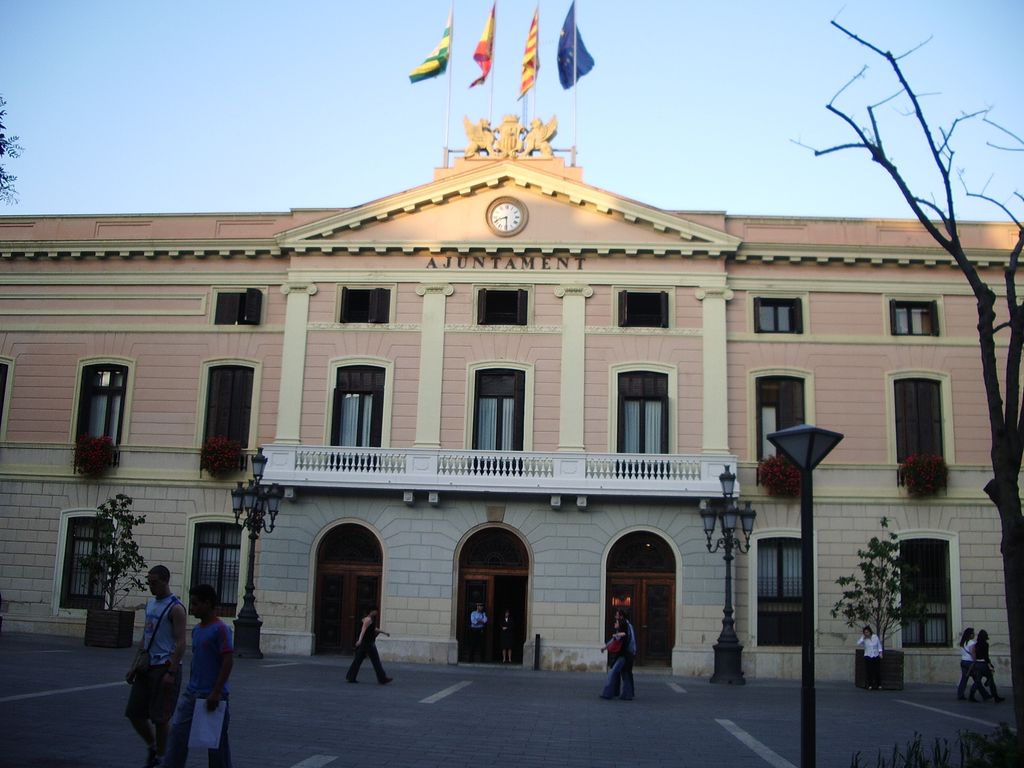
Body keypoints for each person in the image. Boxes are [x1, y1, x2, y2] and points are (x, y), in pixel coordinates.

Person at [163, 584, 234, 768]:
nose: (192, 608)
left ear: (207, 603)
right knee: (178, 734)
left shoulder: (221, 629)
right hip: (192, 693)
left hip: (213, 695)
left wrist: (216, 691)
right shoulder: (197, 630)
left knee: (216, 744)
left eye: (195, 604)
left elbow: (227, 661)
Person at [126, 565, 188, 768]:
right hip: (147, 666)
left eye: (154, 583)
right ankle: (153, 746)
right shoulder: (151, 604)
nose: (151, 586)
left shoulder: (175, 608)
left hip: (164, 666)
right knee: (134, 713)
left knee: (160, 718)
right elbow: (146, 637)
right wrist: (135, 664)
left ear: (165, 581)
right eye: (149, 583)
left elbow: (181, 642)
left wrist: (172, 671)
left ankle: (162, 758)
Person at [346, 609, 392, 684]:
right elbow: (363, 630)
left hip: (365, 643)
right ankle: (382, 678)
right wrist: (359, 640)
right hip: (368, 643)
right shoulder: (368, 620)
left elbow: (374, 629)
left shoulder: (367, 619)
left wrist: (384, 633)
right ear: (371, 611)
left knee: (358, 660)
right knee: (376, 661)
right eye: (375, 611)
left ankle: (351, 676)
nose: (376, 613)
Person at [969, 629, 1005, 703]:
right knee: (991, 680)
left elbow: (975, 655)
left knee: (977, 681)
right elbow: (986, 656)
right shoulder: (985, 644)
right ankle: (995, 697)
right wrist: (990, 664)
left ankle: (971, 695)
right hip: (983, 664)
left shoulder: (976, 645)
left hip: (977, 664)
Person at [599, 618, 628, 699]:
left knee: (612, 674)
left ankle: (607, 693)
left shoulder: (622, 634)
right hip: (618, 656)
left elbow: (623, 634)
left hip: (622, 656)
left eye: (616, 623)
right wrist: (604, 648)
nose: (615, 623)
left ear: (620, 625)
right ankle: (616, 692)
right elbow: (611, 642)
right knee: (618, 674)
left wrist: (616, 635)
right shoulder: (618, 633)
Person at [614, 609, 637, 701]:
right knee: (626, 673)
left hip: (626, 653)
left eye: (617, 615)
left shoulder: (624, 625)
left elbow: (624, 637)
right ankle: (629, 692)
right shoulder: (628, 624)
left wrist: (616, 634)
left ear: (621, 616)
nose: (615, 617)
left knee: (624, 672)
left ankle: (627, 694)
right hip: (628, 652)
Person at [857, 625, 883, 690]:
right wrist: (863, 638)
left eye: (867, 632)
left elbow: (879, 645)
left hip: (876, 655)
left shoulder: (875, 637)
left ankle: (879, 684)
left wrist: (880, 653)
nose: (866, 633)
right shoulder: (864, 639)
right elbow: (858, 643)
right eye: (865, 632)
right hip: (868, 656)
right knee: (869, 671)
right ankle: (870, 685)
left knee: (877, 671)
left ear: (870, 632)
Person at [956, 627, 977, 700]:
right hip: (970, 662)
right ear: (970, 634)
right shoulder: (972, 643)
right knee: (977, 679)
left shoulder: (963, 642)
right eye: (973, 633)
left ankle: (960, 694)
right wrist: (975, 661)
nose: (974, 634)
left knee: (964, 679)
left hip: (963, 661)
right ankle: (982, 694)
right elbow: (973, 653)